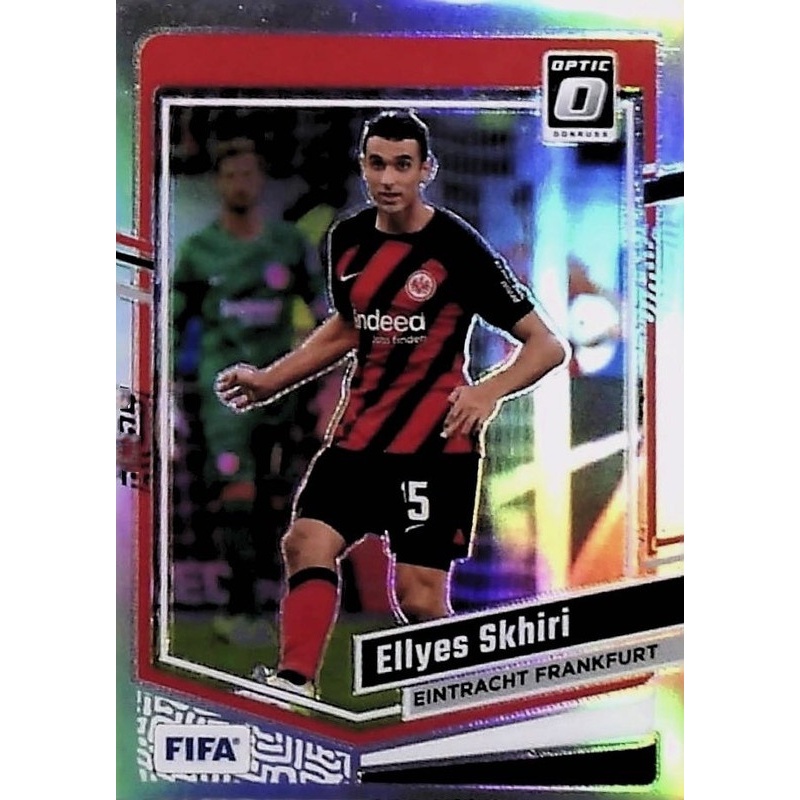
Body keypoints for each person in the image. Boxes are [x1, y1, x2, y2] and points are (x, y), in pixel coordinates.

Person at [215, 110, 568, 698]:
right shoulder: (347, 240)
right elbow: (349, 326)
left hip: (435, 447)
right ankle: (295, 681)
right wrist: (271, 379)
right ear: (363, 166)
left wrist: (487, 390)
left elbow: (547, 345)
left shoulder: (456, 246)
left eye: (403, 165)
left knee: (419, 598)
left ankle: (474, 704)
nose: (388, 178)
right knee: (305, 542)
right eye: (377, 164)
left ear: (426, 169)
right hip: (357, 438)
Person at [172, 137, 324, 640]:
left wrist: (324, 376)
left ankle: (263, 601)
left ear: (261, 181)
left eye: (248, 174)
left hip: (283, 395)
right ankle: (239, 608)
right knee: (236, 491)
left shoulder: (287, 245)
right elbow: (174, 326)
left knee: (274, 501)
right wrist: (170, 392)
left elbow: (325, 315)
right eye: (231, 175)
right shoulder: (199, 252)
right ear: (219, 183)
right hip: (224, 399)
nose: (240, 184)